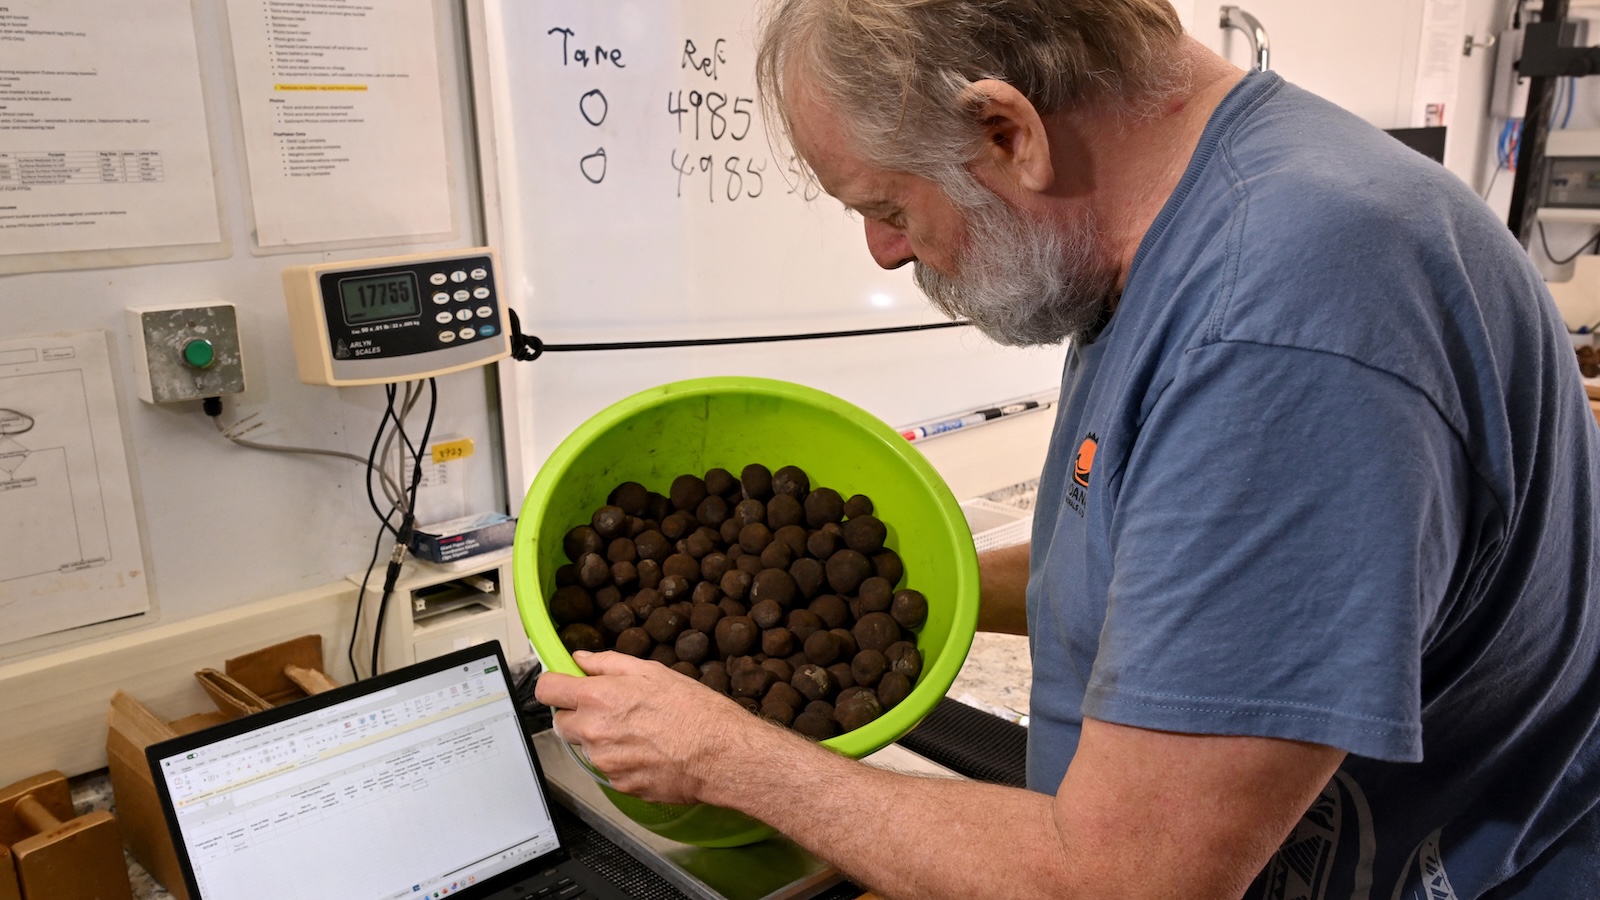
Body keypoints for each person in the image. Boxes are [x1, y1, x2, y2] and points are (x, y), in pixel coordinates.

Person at [537, 1, 1600, 896]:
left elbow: (1129, 878)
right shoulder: (1187, 227)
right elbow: (1197, 583)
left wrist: (724, 756)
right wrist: (912, 586)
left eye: (885, 204)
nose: (885, 248)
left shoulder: (1278, 323)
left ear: (1007, 131)